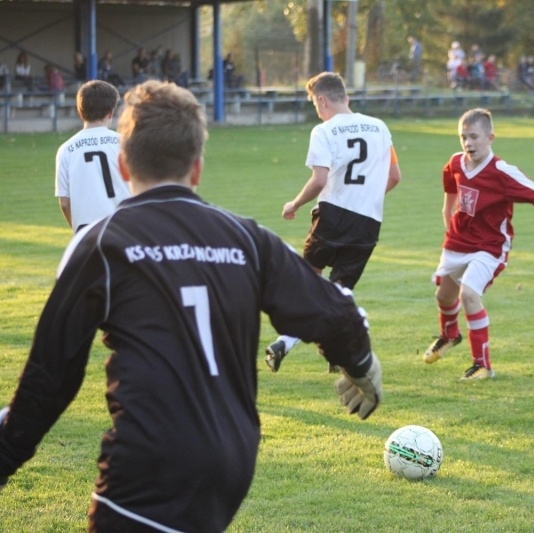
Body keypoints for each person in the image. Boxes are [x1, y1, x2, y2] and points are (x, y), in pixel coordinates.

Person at [0, 80, 382, 531]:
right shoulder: (247, 238)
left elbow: (50, 378)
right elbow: (335, 309)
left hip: (150, 457)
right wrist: (361, 366)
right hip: (234, 457)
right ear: (197, 168)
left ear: (124, 166)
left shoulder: (102, 244)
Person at [265, 71, 401, 373]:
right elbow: (394, 177)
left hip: (332, 216)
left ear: (322, 100)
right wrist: (367, 198)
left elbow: (320, 179)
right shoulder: (380, 127)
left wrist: (295, 203)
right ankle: (338, 354)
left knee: (309, 286)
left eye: (315, 103)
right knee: (339, 292)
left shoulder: (324, 131)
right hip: (368, 222)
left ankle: (287, 342)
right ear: (347, 97)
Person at [422, 108, 534, 380]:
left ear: (490, 138)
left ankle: (482, 365)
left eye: (474, 136)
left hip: (489, 246)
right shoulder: (455, 162)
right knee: (443, 297)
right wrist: (447, 220)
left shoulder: (501, 172)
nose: (468, 143)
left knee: (469, 295)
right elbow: (450, 191)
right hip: (457, 242)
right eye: (463, 137)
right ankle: (449, 335)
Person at [55, 80, 130, 233]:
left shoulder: (66, 149)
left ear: (80, 110)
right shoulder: (125, 144)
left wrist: (79, 232)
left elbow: (64, 202)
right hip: (122, 226)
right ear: (111, 112)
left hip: (88, 230)